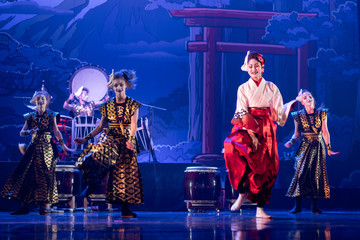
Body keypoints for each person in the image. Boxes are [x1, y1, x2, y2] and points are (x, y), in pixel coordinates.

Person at [224, 51, 297, 218]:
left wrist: (288, 107)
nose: (253, 69)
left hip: (267, 128)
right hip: (247, 126)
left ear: (262, 67)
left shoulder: (272, 87)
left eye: (256, 66)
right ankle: (241, 192)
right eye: (250, 66)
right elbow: (241, 110)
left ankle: (260, 209)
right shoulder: (243, 88)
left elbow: (279, 114)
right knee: (231, 146)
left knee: (265, 167)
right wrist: (252, 133)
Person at [74, 69, 143, 218]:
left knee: (126, 174)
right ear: (112, 86)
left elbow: (133, 125)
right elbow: (100, 127)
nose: (118, 88)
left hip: (125, 141)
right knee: (97, 157)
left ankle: (126, 209)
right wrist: (85, 138)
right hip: (110, 138)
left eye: (121, 85)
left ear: (126, 85)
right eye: (116, 85)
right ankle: (92, 184)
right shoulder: (107, 106)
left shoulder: (133, 105)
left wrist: (130, 141)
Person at [1, 90, 68, 215]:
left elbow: (56, 131)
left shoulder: (51, 115)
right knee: (28, 175)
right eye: (38, 99)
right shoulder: (30, 116)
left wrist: (63, 146)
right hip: (34, 147)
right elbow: (22, 132)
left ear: (47, 100)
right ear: (34, 101)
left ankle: (42, 207)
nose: (40, 101)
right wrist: (29, 132)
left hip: (47, 147)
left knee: (44, 175)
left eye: (42, 98)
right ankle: (25, 206)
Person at [284, 90, 339, 214]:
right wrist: (291, 142)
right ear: (301, 101)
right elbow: (296, 133)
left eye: (310, 96)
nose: (308, 98)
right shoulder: (297, 115)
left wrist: (329, 148)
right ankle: (297, 206)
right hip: (305, 146)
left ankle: (314, 207)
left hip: (318, 146)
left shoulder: (321, 113)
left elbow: (325, 132)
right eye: (305, 97)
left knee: (316, 175)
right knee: (300, 173)